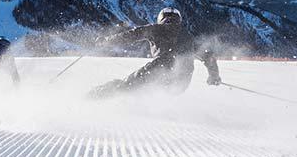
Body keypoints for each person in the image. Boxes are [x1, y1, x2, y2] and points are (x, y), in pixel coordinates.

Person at [88, 7, 221, 98]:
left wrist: (105, 41)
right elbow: (208, 56)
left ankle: (94, 96)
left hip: (161, 68)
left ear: (160, 18)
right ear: (179, 19)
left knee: (126, 86)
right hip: (182, 81)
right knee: (150, 91)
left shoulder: (155, 29)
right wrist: (214, 76)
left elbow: (130, 36)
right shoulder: (189, 36)